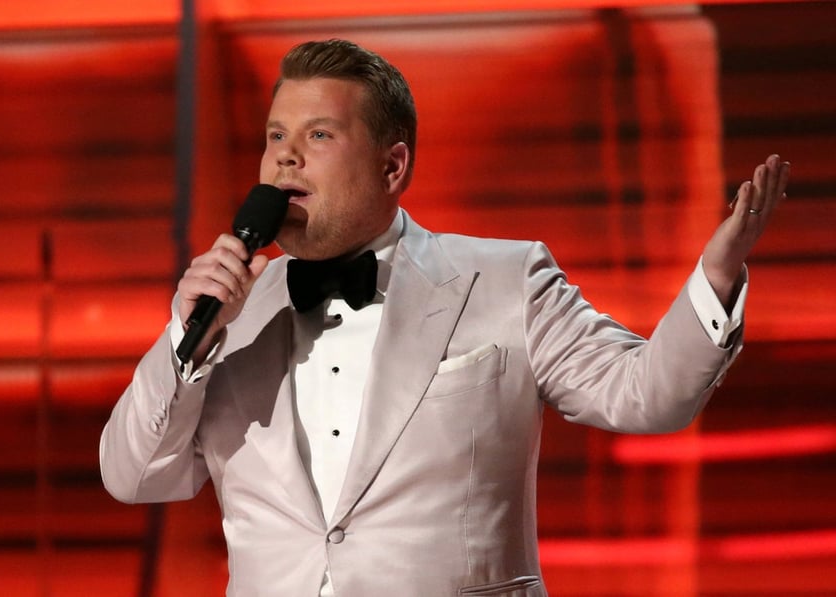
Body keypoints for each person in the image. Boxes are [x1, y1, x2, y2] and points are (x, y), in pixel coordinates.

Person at [100, 39, 790, 596]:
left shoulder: (504, 279)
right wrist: (184, 344)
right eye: (277, 133)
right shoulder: (229, 312)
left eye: (318, 134)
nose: (285, 154)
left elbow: (647, 395)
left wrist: (718, 276)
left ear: (392, 166)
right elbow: (134, 477)